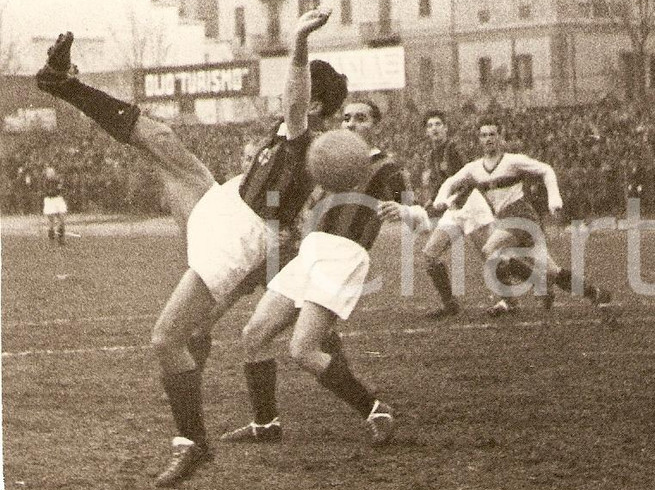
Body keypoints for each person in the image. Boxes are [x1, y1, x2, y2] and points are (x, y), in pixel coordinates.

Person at [35, 8, 348, 487]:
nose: (281, 95)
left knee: (167, 338)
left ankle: (192, 442)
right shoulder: (291, 135)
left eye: (296, 91)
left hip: (242, 233)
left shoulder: (304, 132)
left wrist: (300, 40)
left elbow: (297, 83)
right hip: (228, 203)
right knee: (159, 138)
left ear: (315, 101)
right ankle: (62, 82)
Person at [220, 98, 422, 447]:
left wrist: (403, 212)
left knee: (302, 349)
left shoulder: (387, 167)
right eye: (346, 117)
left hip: (344, 254)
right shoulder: (327, 158)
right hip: (310, 251)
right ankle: (265, 424)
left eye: (361, 118)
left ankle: (376, 410)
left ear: (375, 124)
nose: (351, 123)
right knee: (253, 335)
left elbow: (421, 215)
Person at [434, 119, 611, 316]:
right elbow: (450, 181)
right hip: (507, 221)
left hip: (521, 217)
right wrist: (441, 199)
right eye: (484, 135)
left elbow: (546, 170)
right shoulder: (474, 168)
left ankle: (519, 295)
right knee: (551, 271)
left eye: (492, 134)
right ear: (479, 139)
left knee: (489, 250)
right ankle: (595, 293)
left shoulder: (512, 160)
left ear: (500, 137)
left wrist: (554, 198)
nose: (488, 139)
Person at [419, 111, 496, 319]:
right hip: (454, 210)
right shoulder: (432, 155)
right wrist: (430, 203)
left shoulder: (454, 149)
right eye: (430, 125)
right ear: (426, 131)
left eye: (438, 124)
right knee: (430, 255)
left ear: (446, 128)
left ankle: (515, 296)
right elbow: (440, 186)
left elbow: (470, 179)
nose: (434, 128)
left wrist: (448, 200)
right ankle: (450, 304)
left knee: (489, 255)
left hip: (471, 206)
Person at [41, 166, 68, 245]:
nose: (51, 174)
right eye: (49, 172)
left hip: (58, 199)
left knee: (62, 219)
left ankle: (61, 239)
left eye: (52, 172)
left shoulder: (58, 180)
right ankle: (51, 240)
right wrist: (57, 188)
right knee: (51, 222)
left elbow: (61, 189)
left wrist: (60, 186)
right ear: (46, 174)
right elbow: (49, 192)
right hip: (49, 200)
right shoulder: (45, 182)